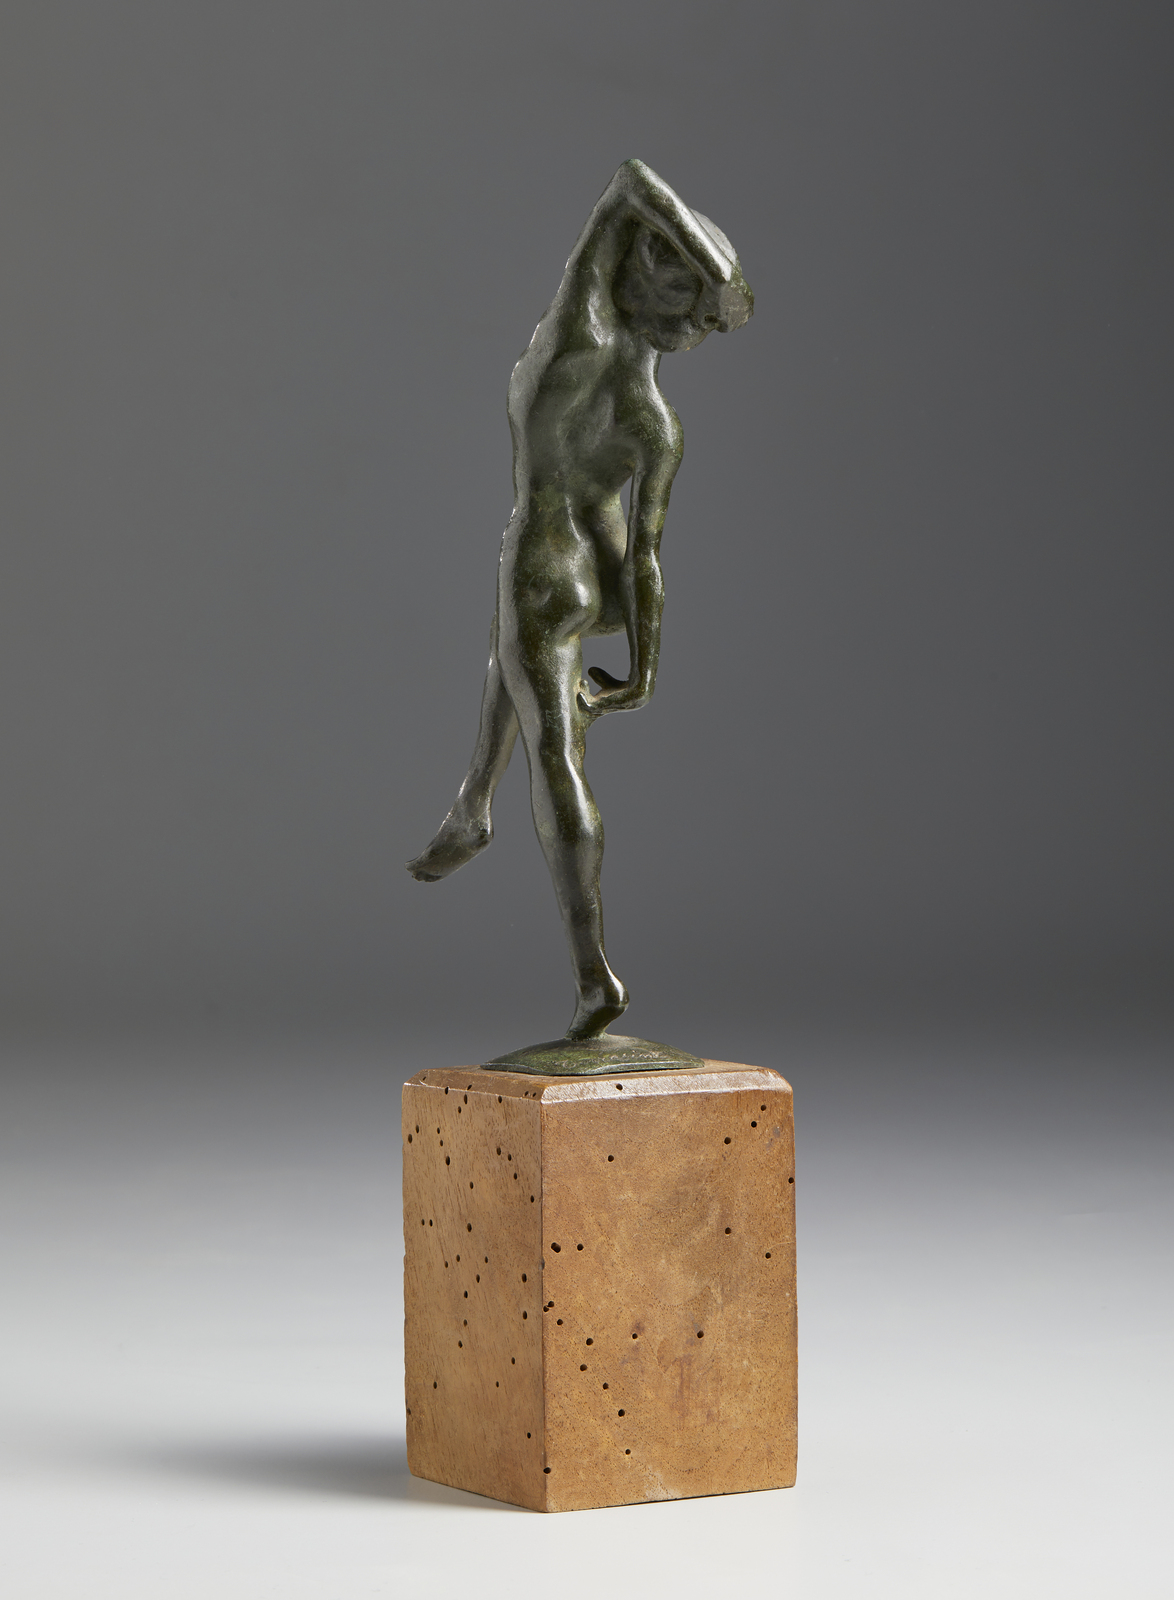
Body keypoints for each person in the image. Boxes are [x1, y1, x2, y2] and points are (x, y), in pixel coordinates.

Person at [407, 159, 753, 1040]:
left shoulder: (576, 338)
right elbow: (647, 563)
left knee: (557, 755)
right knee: (515, 646)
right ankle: (472, 801)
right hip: (601, 578)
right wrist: (641, 672)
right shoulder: (656, 422)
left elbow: (628, 183)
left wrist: (718, 273)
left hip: (545, 558)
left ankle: (595, 974)